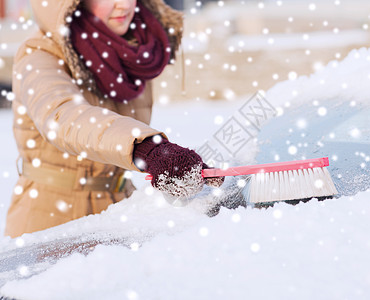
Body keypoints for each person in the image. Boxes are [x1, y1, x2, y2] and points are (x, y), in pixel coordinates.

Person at [5, 0, 223, 238]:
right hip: (50, 218)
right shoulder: (39, 53)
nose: (124, 5)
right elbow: (63, 115)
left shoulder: (134, 51)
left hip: (117, 210)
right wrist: (146, 148)